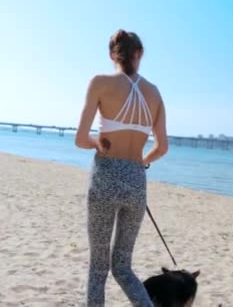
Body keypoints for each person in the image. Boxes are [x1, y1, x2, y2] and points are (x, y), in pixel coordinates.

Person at [75, 29, 168, 306]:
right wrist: (141, 161)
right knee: (123, 267)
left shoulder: (100, 83)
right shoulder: (154, 93)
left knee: (99, 268)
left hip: (105, 177)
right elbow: (162, 147)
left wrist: (96, 143)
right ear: (139, 54)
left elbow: (80, 139)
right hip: (136, 180)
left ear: (111, 55)